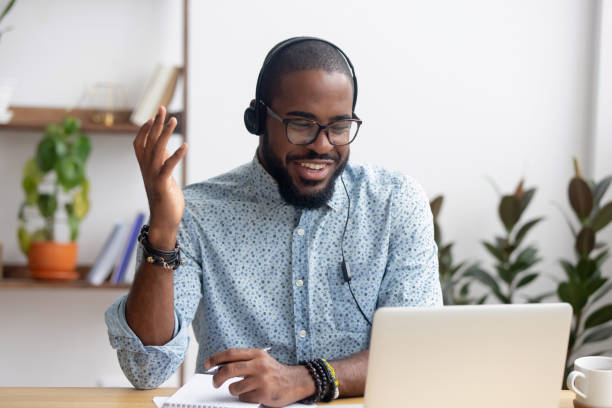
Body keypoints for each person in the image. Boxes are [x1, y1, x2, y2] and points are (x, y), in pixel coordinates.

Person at [105, 37, 442, 407]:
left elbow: (417, 355)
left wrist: (305, 379)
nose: (323, 145)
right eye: (301, 124)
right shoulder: (196, 213)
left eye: (340, 126)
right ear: (258, 119)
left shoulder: (394, 204)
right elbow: (145, 369)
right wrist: (164, 231)